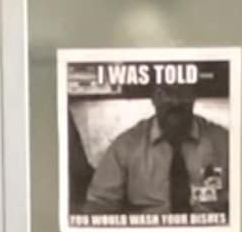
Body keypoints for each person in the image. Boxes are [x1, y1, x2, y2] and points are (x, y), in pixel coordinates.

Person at [82, 76, 226, 222]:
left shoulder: (223, 142)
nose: (175, 101)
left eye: (182, 92)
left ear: (193, 96)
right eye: (166, 93)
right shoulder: (126, 146)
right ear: (153, 98)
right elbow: (99, 204)